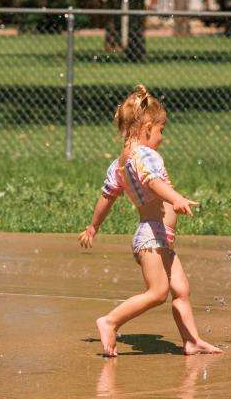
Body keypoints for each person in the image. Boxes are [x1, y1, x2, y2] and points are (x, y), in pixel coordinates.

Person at [79, 84, 222, 357]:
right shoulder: (145, 155)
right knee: (158, 293)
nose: (161, 138)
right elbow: (153, 181)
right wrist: (176, 198)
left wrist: (93, 226)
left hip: (159, 237)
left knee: (181, 289)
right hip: (151, 236)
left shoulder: (119, 163)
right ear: (146, 128)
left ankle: (192, 341)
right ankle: (110, 321)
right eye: (160, 131)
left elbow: (106, 196)